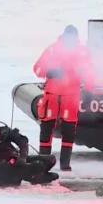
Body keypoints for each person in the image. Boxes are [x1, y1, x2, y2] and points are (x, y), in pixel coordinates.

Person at [34, 25, 96, 172]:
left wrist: (89, 91)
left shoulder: (83, 52)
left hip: (72, 96)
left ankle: (65, 163)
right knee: (46, 127)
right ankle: (44, 161)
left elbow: (90, 73)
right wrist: (50, 72)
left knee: (69, 129)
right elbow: (37, 68)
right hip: (52, 95)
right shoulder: (52, 50)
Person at [0, 119, 59, 187]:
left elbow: (23, 142)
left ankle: (35, 176)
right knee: (36, 166)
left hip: (16, 159)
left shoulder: (4, 132)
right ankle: (33, 174)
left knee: (51, 159)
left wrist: (23, 158)